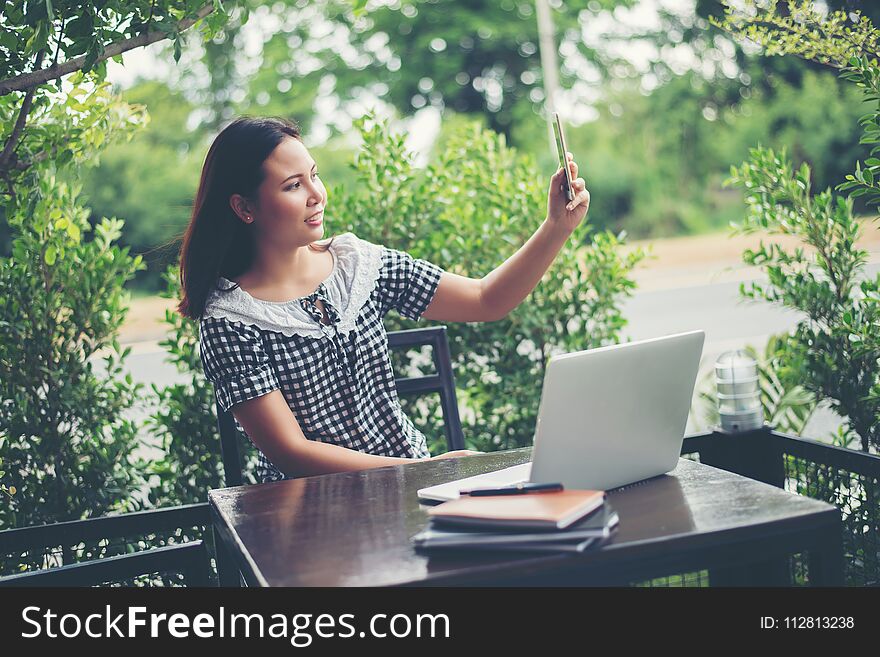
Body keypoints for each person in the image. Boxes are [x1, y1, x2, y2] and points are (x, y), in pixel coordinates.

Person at [177, 116, 589, 483]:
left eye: (314, 176)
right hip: (312, 512)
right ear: (244, 207)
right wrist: (426, 471)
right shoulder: (230, 318)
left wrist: (556, 227)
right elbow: (292, 453)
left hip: (413, 487)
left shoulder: (357, 264)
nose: (316, 195)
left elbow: (486, 300)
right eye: (292, 185)